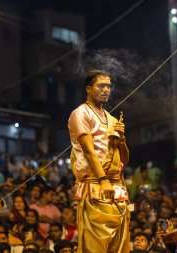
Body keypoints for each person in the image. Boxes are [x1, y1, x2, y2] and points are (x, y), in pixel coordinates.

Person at [68, 69, 130, 253]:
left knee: (119, 246)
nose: (106, 90)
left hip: (117, 188)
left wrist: (122, 139)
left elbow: (124, 160)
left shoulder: (111, 119)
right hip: (96, 184)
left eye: (109, 86)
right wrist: (103, 180)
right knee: (95, 246)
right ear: (89, 88)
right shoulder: (80, 113)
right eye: (101, 86)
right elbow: (88, 150)